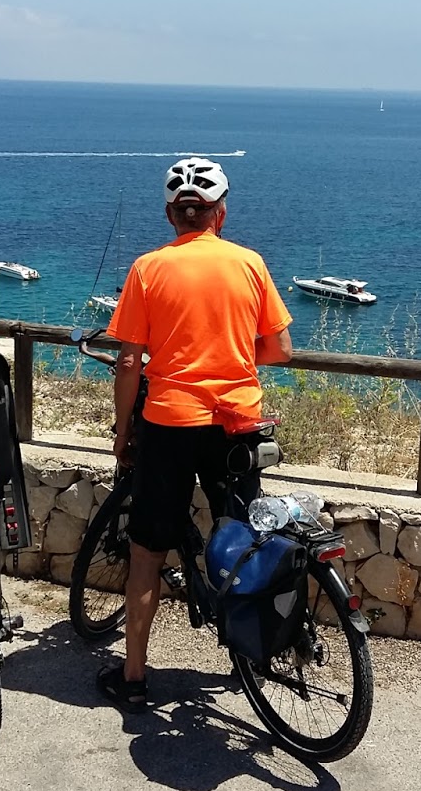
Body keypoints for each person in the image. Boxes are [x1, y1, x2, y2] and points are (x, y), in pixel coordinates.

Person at [97, 157, 294, 710]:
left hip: (170, 424)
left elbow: (129, 360)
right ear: (219, 215)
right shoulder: (249, 263)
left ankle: (134, 678)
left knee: (146, 554)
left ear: (170, 216)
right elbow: (280, 349)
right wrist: (231, 357)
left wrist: (122, 431)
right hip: (237, 424)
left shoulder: (148, 268)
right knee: (248, 540)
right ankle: (255, 657)